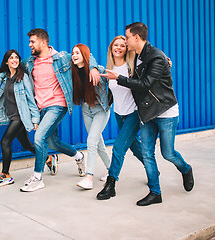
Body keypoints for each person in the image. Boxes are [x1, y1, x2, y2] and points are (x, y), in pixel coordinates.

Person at [0, 28, 103, 192]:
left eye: (32, 41)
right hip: (41, 107)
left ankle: (37, 178)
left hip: (58, 105)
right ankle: (79, 156)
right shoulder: (30, 62)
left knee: (39, 137)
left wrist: (93, 68)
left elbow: (87, 56)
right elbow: (12, 67)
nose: (29, 44)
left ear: (43, 42)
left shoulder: (62, 58)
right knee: (53, 142)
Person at [100, 22, 194, 206]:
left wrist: (118, 78)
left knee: (168, 153)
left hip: (164, 111)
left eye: (126, 38)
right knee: (145, 151)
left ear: (136, 37)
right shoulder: (138, 56)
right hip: (147, 112)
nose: (124, 42)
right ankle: (155, 192)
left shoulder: (155, 57)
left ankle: (186, 169)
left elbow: (145, 84)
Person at [96, 36, 145, 199]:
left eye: (123, 45)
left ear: (127, 49)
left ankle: (111, 184)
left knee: (118, 147)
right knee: (134, 147)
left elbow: (152, 64)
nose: (119, 48)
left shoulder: (133, 66)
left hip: (134, 113)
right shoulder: (108, 68)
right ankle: (152, 169)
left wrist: (166, 61)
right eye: (116, 45)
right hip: (119, 113)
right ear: (111, 48)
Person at [0, 49, 41, 187]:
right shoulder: (5, 78)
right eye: (11, 58)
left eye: (16, 57)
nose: (14, 60)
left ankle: (6, 174)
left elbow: (31, 99)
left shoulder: (23, 78)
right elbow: (0, 100)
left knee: (5, 141)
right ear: (6, 61)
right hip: (12, 117)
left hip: (20, 117)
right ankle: (47, 158)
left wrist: (35, 119)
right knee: (26, 145)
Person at [71, 44, 111, 190]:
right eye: (73, 53)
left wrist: (94, 68)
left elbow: (115, 76)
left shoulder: (97, 70)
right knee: (98, 143)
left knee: (91, 141)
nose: (74, 55)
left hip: (101, 109)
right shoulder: (72, 71)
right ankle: (112, 170)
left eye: (77, 53)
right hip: (86, 109)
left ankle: (89, 177)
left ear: (84, 55)